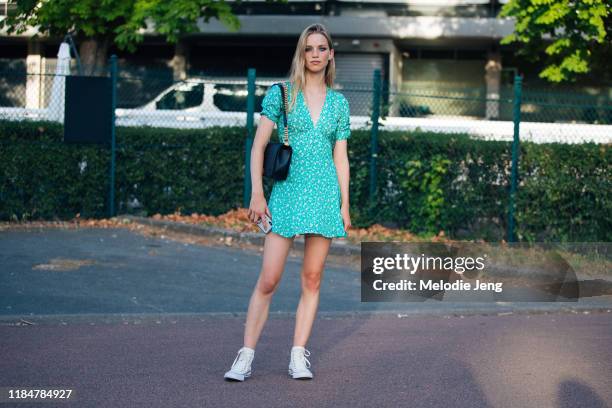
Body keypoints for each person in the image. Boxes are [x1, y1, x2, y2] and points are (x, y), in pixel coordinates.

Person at [224, 23, 351, 382]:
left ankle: (298, 355)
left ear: (330, 55)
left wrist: (344, 204)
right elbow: (258, 145)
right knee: (269, 279)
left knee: (312, 279)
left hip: (324, 197)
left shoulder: (339, 103)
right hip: (287, 196)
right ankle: (245, 356)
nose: (315, 54)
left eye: (321, 48)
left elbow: (340, 158)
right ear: (301, 53)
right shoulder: (281, 94)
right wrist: (257, 193)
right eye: (309, 48)